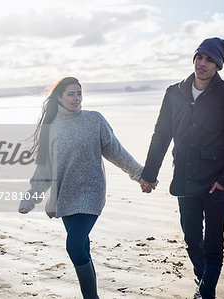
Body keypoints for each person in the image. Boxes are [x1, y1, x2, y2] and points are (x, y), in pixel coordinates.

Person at [140, 37, 224, 299]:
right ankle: (202, 279)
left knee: (213, 242)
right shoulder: (173, 92)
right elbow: (161, 134)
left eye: (210, 59)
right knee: (192, 238)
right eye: (199, 57)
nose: (202, 63)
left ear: (218, 66)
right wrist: (149, 174)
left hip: (216, 182)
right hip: (184, 178)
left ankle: (206, 292)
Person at [18, 77, 143, 299]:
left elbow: (116, 151)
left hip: (91, 192)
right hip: (64, 195)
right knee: (83, 248)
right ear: (59, 97)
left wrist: (140, 174)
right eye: (71, 94)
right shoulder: (51, 128)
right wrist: (31, 198)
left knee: (74, 246)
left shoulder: (94, 120)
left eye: (79, 93)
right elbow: (45, 169)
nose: (77, 99)